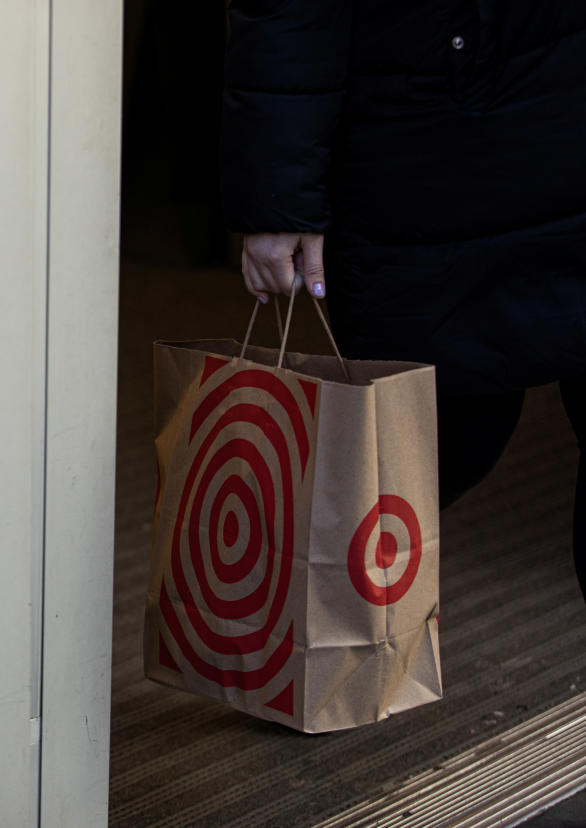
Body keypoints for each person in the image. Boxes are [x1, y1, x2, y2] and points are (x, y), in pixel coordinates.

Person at [219, 1, 586, 600]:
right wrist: (276, 194)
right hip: (430, 146)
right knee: (417, 448)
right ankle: (296, 655)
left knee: (410, 452)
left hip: (519, 109)